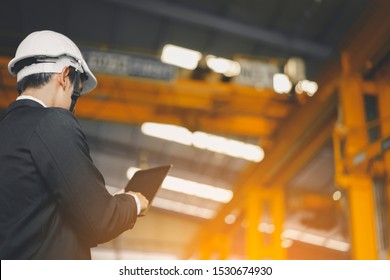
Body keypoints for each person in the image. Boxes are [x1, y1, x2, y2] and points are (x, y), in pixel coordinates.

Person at [0, 30, 149, 259]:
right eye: (75, 93)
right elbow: (99, 221)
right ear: (64, 75)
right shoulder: (52, 123)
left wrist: (110, 202)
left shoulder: (7, 130)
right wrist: (133, 203)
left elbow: (40, 222)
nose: (72, 102)